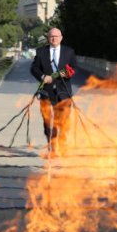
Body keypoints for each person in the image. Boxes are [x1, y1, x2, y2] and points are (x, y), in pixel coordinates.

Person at [30, 27, 78, 156]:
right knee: (47, 121)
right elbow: (34, 68)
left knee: (63, 120)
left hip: (64, 92)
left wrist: (55, 75)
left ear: (61, 38)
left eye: (56, 36)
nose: (54, 38)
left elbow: (73, 68)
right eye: (51, 36)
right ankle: (52, 144)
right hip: (46, 92)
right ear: (48, 38)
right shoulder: (41, 52)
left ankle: (61, 143)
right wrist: (43, 77)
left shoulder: (69, 52)